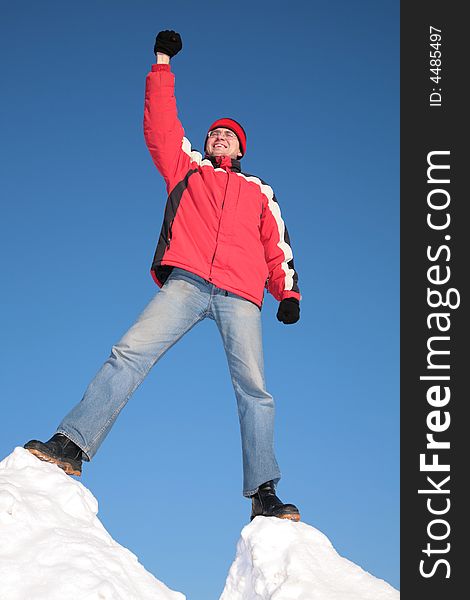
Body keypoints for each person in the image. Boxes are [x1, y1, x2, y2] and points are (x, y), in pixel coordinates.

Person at [24, 30, 301, 522]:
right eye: (214, 132)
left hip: (240, 294)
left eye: (228, 136)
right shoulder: (186, 169)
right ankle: (70, 443)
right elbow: (160, 125)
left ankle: (264, 493)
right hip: (188, 281)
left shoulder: (259, 191)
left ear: (240, 149)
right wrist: (161, 63)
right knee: (129, 353)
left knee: (255, 390)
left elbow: (275, 246)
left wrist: (287, 292)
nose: (218, 138)